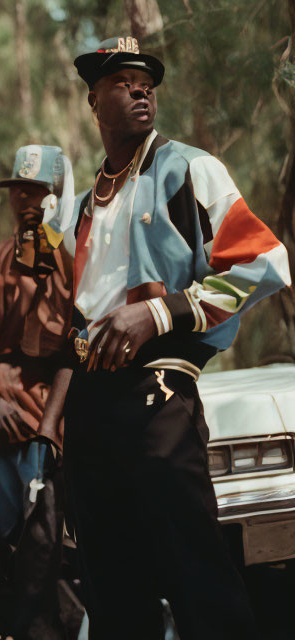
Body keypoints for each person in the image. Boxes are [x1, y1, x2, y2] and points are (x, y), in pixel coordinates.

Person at [59, 35, 292, 640]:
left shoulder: (188, 167)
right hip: (90, 405)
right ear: (93, 100)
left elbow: (265, 263)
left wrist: (161, 316)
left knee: (197, 573)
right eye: (123, 81)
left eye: (148, 83)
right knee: (111, 586)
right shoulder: (82, 207)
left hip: (159, 392)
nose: (141, 90)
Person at [0, 145, 76, 640]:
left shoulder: (74, 261)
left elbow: (74, 350)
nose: (27, 200)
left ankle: (37, 626)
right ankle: (18, 625)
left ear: (56, 197)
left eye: (38, 190)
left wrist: (50, 426)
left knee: (43, 530)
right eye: (19, 190)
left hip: (50, 421)